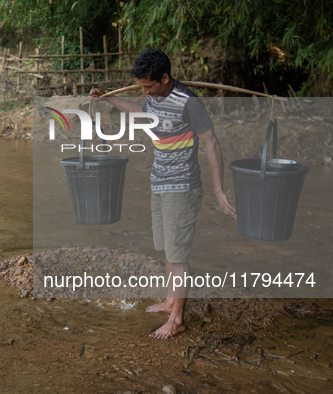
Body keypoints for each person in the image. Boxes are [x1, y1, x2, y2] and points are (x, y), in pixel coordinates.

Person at [90, 49, 237, 339]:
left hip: (182, 188)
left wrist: (219, 190)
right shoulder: (154, 96)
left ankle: (178, 319)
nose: (145, 92)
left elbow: (212, 144)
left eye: (148, 86)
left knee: (179, 255)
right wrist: (107, 97)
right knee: (169, 250)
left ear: (165, 78)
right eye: (142, 87)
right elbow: (140, 110)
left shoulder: (189, 103)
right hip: (159, 182)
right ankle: (171, 300)